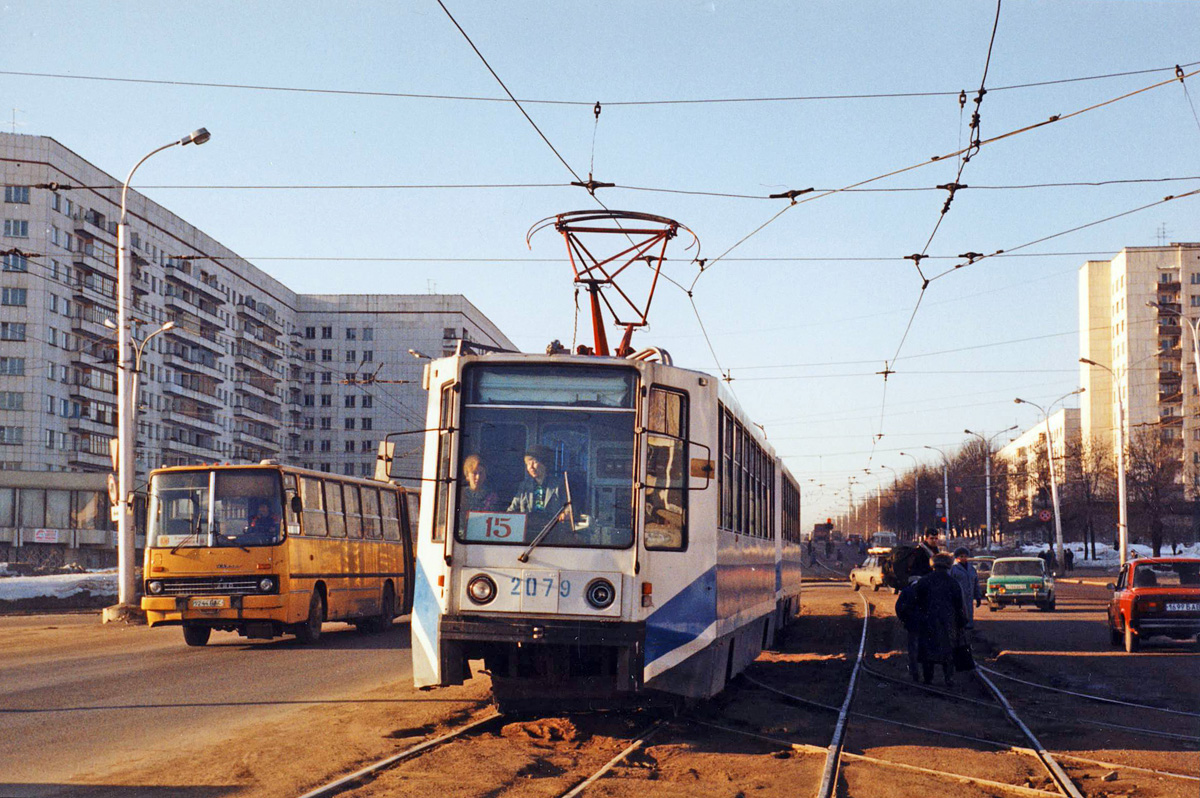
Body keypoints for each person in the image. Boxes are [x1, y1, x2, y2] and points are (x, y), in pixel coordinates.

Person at [915, 553, 966, 686]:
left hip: (927, 622)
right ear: (948, 566)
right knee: (948, 652)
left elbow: (917, 603)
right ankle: (948, 678)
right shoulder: (953, 583)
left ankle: (928, 679)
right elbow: (959, 605)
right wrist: (962, 623)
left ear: (932, 565)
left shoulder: (923, 581)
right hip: (948, 623)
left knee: (928, 651)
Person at [508, 444, 567, 531]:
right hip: (527, 532)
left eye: (534, 462)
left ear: (544, 463)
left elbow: (568, 509)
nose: (531, 467)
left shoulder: (559, 485)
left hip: (552, 532)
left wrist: (565, 514)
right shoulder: (524, 486)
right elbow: (511, 511)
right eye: (528, 464)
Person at [894, 579, 922, 682]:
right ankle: (927, 674)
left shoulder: (907, 590)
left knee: (913, 648)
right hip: (926, 625)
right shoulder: (927, 589)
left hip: (912, 624)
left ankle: (914, 672)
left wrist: (904, 620)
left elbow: (899, 607)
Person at [949, 547, 982, 631]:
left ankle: (969, 630)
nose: (964, 558)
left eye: (965, 556)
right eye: (961, 556)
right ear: (957, 557)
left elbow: (976, 583)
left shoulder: (971, 569)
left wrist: (978, 596)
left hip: (969, 597)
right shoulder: (953, 569)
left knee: (969, 613)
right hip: (958, 597)